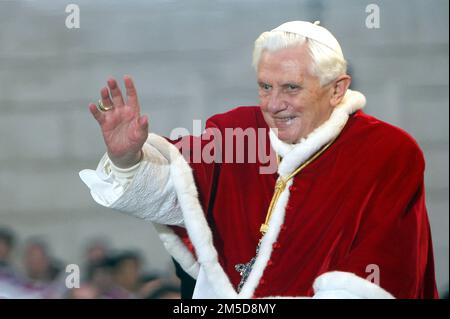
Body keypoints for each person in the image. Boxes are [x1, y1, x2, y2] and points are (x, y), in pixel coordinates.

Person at [80, 21, 438, 298]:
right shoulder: (236, 130)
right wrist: (128, 158)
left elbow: (382, 269)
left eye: (291, 88)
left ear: (337, 89)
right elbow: (175, 194)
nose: (273, 104)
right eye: (265, 86)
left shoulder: (386, 151)